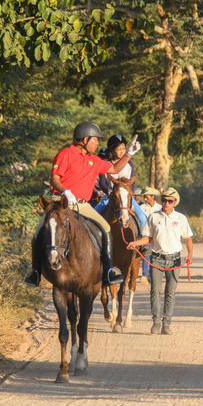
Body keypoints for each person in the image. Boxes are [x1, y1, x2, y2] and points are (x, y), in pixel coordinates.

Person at [23, 121, 141, 287]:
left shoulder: (94, 159)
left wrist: (128, 154)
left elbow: (114, 170)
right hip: (61, 202)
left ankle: (108, 269)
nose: (98, 143)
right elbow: (54, 179)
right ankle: (35, 271)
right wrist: (65, 191)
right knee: (40, 230)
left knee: (106, 228)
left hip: (83, 204)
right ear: (85, 139)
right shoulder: (65, 154)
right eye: (95, 140)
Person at [127, 187, 193, 335]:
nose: (166, 203)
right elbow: (147, 238)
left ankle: (167, 324)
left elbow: (188, 238)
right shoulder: (153, 217)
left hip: (175, 259)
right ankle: (156, 322)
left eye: (169, 201)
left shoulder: (181, 218)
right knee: (154, 291)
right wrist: (135, 243)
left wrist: (190, 255)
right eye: (164, 200)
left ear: (175, 202)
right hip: (156, 258)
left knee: (170, 293)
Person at [93, 134, 147, 229]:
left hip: (126, 197)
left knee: (143, 218)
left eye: (123, 148)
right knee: (92, 217)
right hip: (108, 197)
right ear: (112, 150)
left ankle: (144, 243)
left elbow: (132, 183)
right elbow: (102, 183)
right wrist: (108, 191)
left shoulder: (129, 164)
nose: (122, 152)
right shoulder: (105, 163)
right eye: (119, 149)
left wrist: (129, 194)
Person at [138, 187, 161, 281]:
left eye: (147, 197)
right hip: (145, 233)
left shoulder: (159, 208)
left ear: (153, 197)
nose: (145, 199)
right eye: (144, 197)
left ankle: (153, 275)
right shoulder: (141, 208)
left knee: (155, 254)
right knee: (146, 252)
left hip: (156, 234)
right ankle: (145, 274)